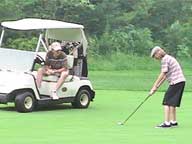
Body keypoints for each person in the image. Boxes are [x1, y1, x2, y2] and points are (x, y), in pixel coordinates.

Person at [149, 46, 185, 128]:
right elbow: (165, 76)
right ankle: (173, 121)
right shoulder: (169, 57)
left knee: (166, 102)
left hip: (176, 82)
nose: (155, 58)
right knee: (172, 103)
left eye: (155, 56)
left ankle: (167, 123)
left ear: (158, 53)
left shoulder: (165, 59)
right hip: (180, 81)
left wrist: (154, 86)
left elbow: (163, 73)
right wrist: (156, 87)